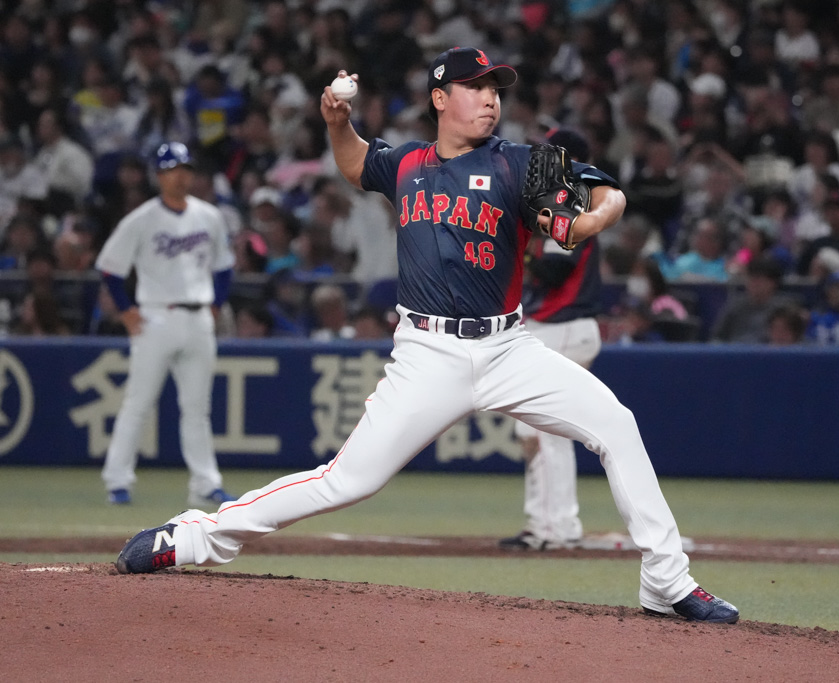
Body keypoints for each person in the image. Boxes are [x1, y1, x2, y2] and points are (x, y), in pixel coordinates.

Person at [114, 48, 739, 625]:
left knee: (616, 425)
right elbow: (356, 162)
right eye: (475, 87)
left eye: (495, 89)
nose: (490, 98)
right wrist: (336, 123)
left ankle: (666, 580)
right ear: (441, 98)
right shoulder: (406, 163)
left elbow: (609, 191)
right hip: (428, 354)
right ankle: (192, 537)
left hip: (508, 348)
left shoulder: (517, 161)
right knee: (346, 481)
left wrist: (593, 217)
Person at [95, 142, 237, 508]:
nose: (180, 176)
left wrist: (216, 306)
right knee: (138, 403)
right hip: (155, 316)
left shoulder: (209, 216)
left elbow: (224, 267)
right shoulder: (141, 219)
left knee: (197, 409)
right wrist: (126, 311)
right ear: (159, 175)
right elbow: (110, 269)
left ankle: (205, 484)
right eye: (172, 169)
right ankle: (117, 481)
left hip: (198, 316)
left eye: (185, 168)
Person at [499, 128, 602, 552]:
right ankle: (546, 524)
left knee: (546, 431)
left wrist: (517, 246)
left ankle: (556, 528)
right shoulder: (558, 200)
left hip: (565, 326)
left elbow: (556, 270)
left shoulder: (573, 199)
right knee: (534, 431)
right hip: (553, 327)